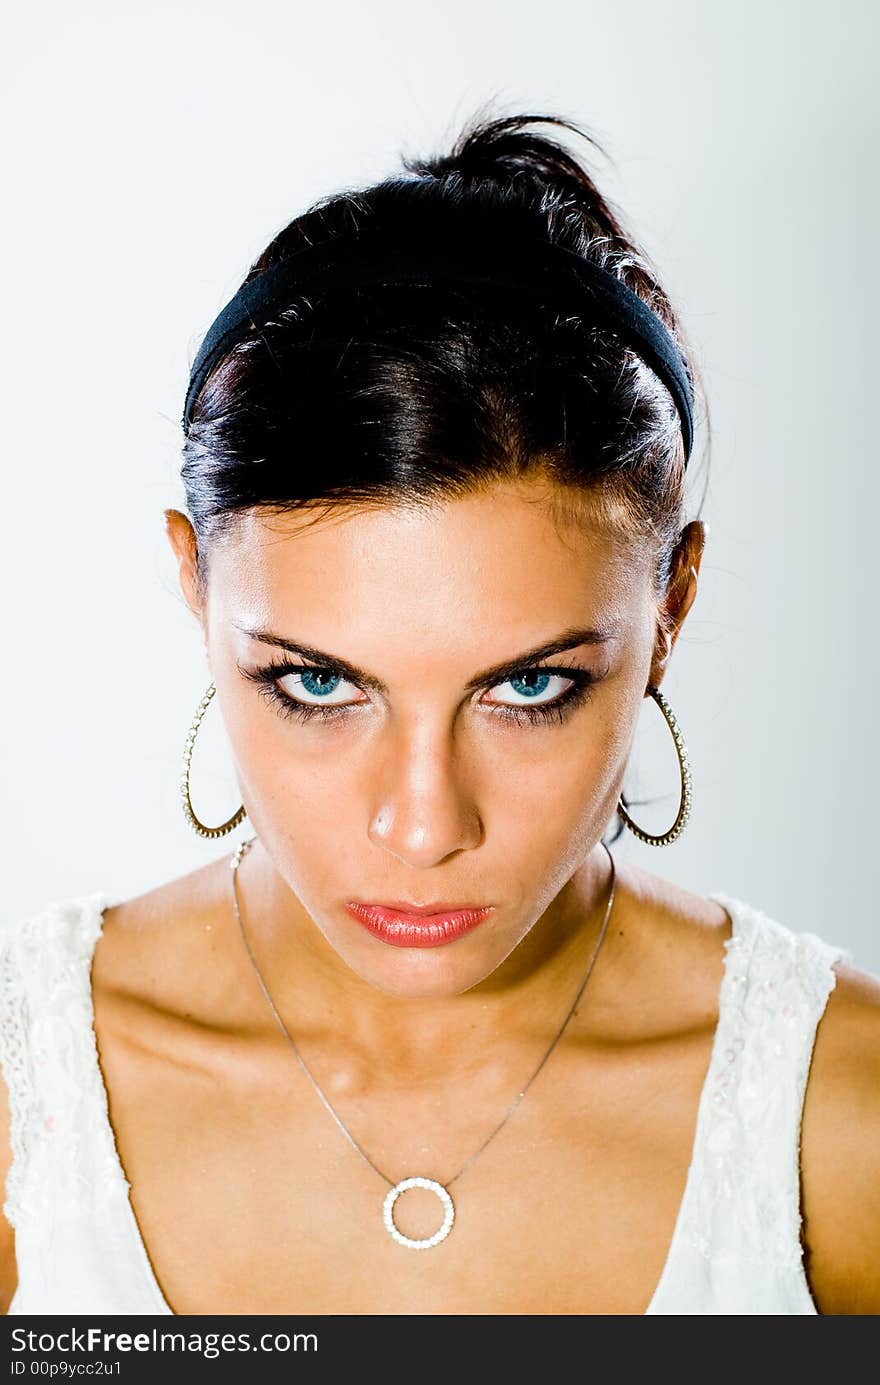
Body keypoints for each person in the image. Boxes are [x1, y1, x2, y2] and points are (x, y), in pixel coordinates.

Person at [1, 110, 878, 1318]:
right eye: (319, 683)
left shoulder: (846, 1120)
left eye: (528, 686)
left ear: (670, 604)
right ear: (197, 587)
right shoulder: (19, 1099)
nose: (423, 828)